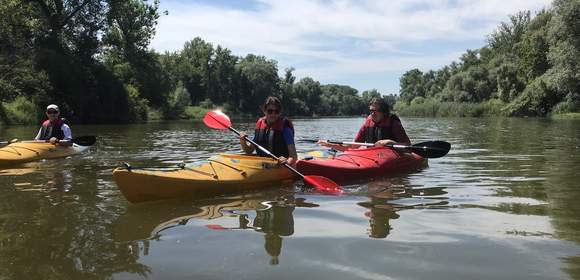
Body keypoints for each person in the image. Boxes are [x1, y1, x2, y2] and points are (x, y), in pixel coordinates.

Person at [319, 97, 410, 151]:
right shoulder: (367, 124)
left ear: (384, 112)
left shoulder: (393, 123)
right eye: (371, 110)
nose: (372, 113)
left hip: (392, 156)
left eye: (375, 111)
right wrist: (330, 144)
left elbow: (407, 147)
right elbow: (353, 146)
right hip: (371, 157)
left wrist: (389, 142)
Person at [240, 96, 298, 166]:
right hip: (262, 165)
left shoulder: (285, 130)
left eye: (276, 111)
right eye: (270, 111)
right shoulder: (260, 126)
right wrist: (243, 141)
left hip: (280, 166)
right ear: (264, 111)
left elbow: (293, 156)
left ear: (279, 113)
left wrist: (287, 162)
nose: (273, 114)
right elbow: (249, 151)